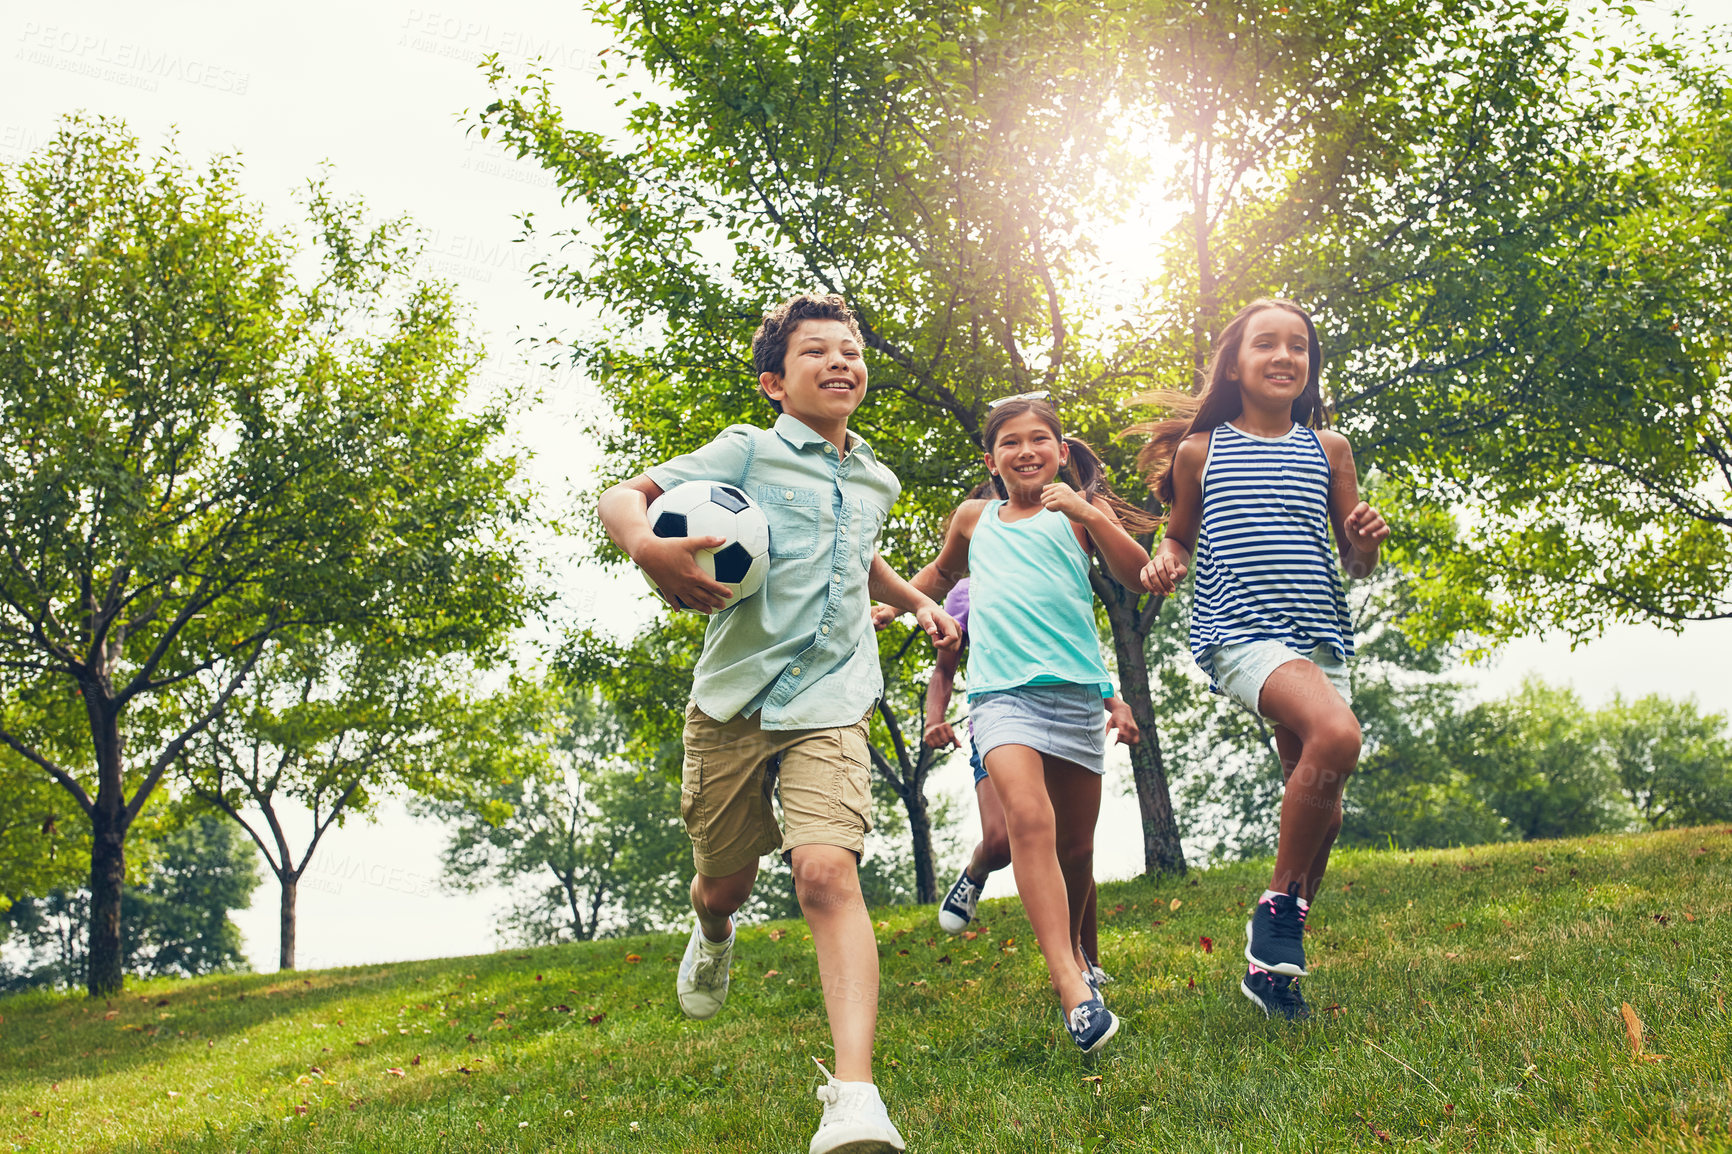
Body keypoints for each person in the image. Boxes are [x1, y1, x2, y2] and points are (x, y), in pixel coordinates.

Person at [597, 292, 960, 1154]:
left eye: (851, 350)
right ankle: (714, 929)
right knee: (722, 880)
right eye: (816, 353)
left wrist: (915, 600)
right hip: (733, 701)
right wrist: (645, 545)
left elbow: (856, 552)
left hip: (833, 702)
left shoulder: (877, 477)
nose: (841, 362)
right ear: (774, 380)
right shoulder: (749, 452)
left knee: (826, 875)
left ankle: (857, 1099)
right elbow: (626, 493)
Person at [1131, 298, 1389, 1021]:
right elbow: (1179, 536)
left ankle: (1271, 974)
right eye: (1266, 344)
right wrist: (1165, 561)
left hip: (1319, 634)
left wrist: (1366, 538)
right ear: (1236, 365)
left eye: (1298, 347)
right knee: (1337, 737)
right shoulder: (1201, 451)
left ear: (1310, 367)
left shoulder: (1329, 449)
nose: (1284, 356)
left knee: (1323, 812)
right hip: (1239, 633)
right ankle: (1278, 909)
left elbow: (1355, 559)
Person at [911, 393, 1156, 1055]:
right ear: (991, 459)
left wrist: (1086, 512)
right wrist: (899, 603)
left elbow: (1137, 577)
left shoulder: (1081, 514)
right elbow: (939, 573)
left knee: (1076, 852)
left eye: (1039, 439)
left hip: (1076, 700)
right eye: (1011, 442)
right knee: (1028, 819)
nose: (1026, 451)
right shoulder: (973, 518)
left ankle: (1079, 958)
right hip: (1001, 699)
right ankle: (1072, 987)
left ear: (1061, 451)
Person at [877, 574, 1139, 978]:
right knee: (1001, 842)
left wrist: (1114, 703)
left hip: (1059, 718)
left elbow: (1073, 654)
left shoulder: (1045, 575)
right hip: (999, 721)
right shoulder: (965, 593)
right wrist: (934, 720)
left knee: (1070, 846)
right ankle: (976, 871)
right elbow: (944, 670)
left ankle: (1087, 961)